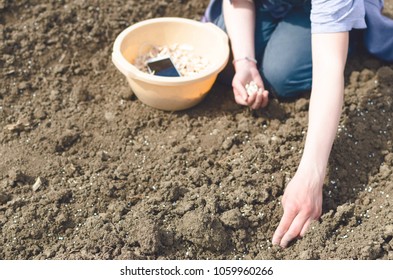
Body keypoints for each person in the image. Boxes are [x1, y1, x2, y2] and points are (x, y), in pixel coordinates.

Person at [202, 0, 393, 248]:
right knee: (225, 62)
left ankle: (352, 32)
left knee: (280, 75)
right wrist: (244, 62)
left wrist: (311, 177)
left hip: (321, 10)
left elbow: (328, 68)